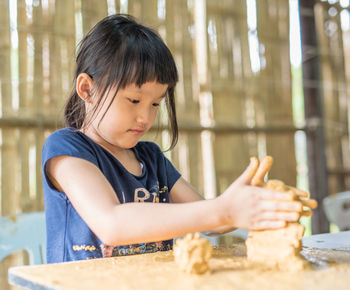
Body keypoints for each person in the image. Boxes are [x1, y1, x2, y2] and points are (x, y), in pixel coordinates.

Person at [42, 14, 303, 263]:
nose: (145, 117)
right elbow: (112, 224)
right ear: (87, 89)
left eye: (155, 104)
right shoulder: (66, 150)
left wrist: (258, 203)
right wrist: (224, 209)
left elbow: (213, 219)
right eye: (134, 100)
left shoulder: (151, 158)